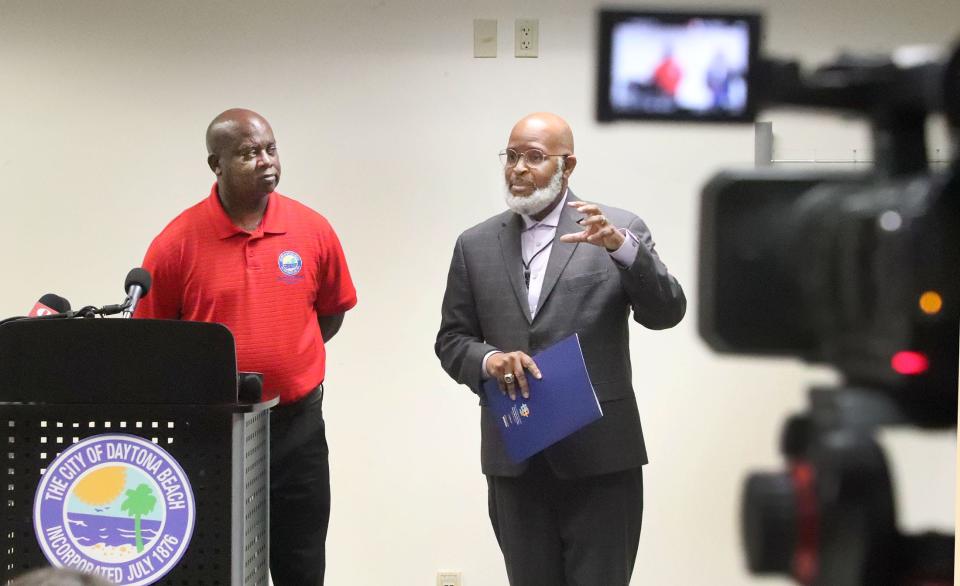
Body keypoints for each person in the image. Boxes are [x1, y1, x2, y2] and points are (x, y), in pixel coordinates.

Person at [435, 112, 686, 586]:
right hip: (517, 454)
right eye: (511, 156)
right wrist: (489, 360)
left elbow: (666, 312)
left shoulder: (616, 229)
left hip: (601, 455)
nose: (519, 168)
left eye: (534, 157)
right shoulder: (475, 244)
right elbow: (451, 340)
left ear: (567, 166)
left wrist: (622, 249)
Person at [135, 108, 357, 586]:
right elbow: (152, 341)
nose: (265, 161)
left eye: (270, 149)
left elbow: (330, 314)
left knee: (301, 563)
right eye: (248, 153)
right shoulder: (176, 243)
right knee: (217, 564)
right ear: (215, 164)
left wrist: (287, 356)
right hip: (213, 435)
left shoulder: (312, 229)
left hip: (297, 429)